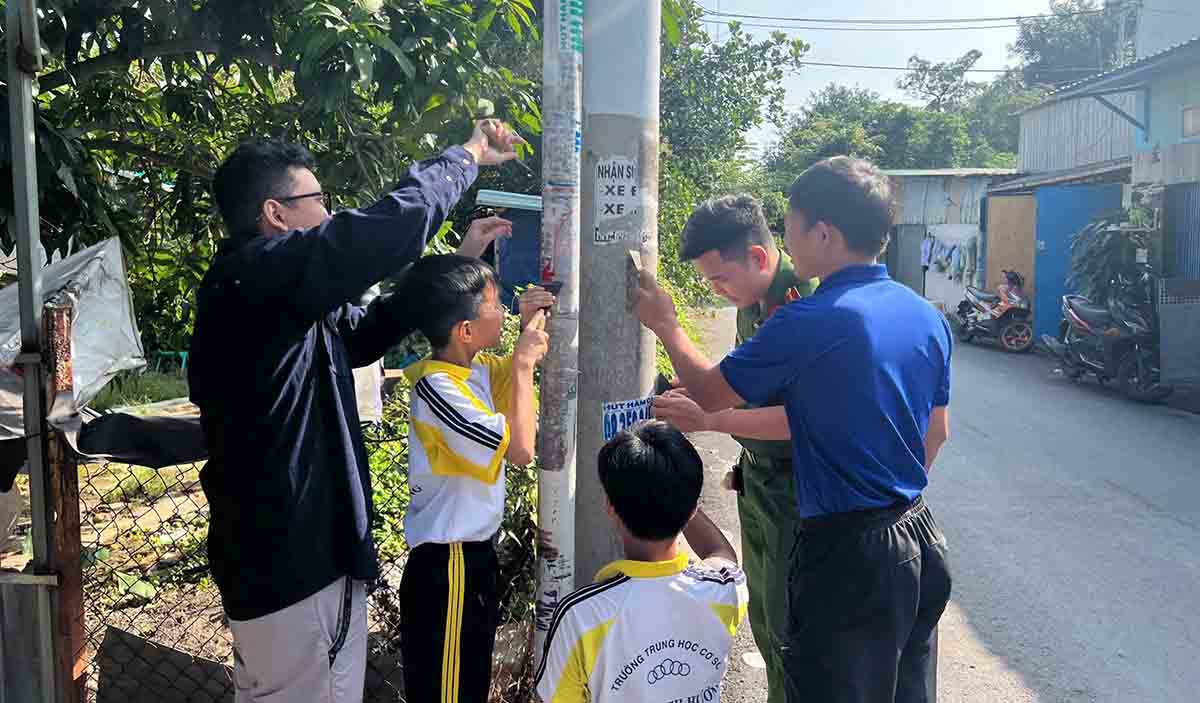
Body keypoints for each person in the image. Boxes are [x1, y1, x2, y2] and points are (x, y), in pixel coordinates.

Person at [188, 119, 524, 703]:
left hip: (319, 561)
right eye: (318, 201)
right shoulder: (252, 281)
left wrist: (459, 263)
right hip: (288, 568)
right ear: (276, 213)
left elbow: (369, 332)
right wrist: (470, 153)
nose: (328, 214)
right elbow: (383, 231)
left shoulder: (290, 303)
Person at [632, 156, 953, 703]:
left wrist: (665, 322)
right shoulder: (924, 313)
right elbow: (937, 432)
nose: (786, 240)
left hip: (848, 550)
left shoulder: (812, 317)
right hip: (916, 537)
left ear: (823, 233)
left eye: (791, 225)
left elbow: (711, 393)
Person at [652, 193, 816, 703]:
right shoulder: (756, 301)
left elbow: (803, 420)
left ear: (760, 258)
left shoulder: (800, 307)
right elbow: (743, 380)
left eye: (720, 278)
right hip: (762, 483)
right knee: (766, 620)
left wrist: (713, 417)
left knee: (794, 630)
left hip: (797, 493)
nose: (716, 290)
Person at [396, 254, 553, 703]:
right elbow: (521, 450)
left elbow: (511, 376)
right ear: (465, 330)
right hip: (449, 566)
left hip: (470, 560)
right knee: (450, 693)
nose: (503, 310)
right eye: (494, 303)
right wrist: (523, 365)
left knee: (466, 686)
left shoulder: (473, 372)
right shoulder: (440, 390)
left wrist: (527, 331)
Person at [535, 420, 749, 703]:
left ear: (611, 509)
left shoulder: (581, 616)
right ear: (691, 510)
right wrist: (678, 498)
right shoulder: (724, 591)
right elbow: (721, 553)